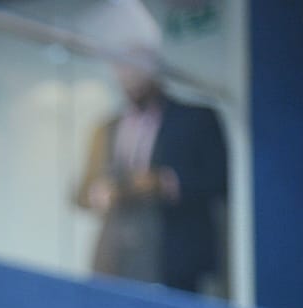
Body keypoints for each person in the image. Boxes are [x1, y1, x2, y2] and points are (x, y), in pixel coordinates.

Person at [76, 45, 229, 295]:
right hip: (115, 259)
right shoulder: (107, 127)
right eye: (122, 69)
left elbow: (219, 181)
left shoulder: (195, 119)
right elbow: (80, 193)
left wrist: (163, 183)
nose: (128, 77)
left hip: (172, 258)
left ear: (154, 71)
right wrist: (101, 193)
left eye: (135, 69)